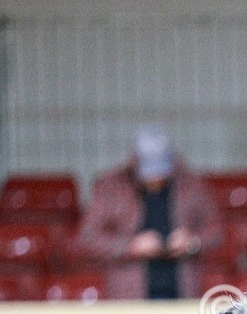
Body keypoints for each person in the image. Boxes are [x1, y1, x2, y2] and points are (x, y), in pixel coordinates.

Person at [77, 124, 220, 299]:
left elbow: (216, 232)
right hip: (129, 296)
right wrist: (130, 246)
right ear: (134, 161)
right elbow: (88, 237)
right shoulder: (111, 187)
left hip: (182, 292)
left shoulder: (192, 185)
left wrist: (192, 242)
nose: (155, 177)